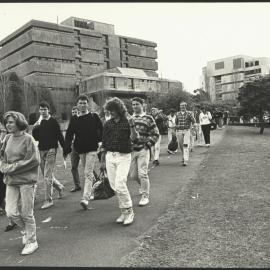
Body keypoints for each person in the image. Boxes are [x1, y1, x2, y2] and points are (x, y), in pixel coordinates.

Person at [0, 111, 40, 255]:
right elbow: (3, 156)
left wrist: (10, 168)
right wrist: (3, 165)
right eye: (7, 122)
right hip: (11, 180)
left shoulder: (28, 139)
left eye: (11, 122)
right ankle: (26, 231)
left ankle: (32, 241)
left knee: (26, 213)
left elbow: (34, 160)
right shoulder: (7, 138)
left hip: (26, 181)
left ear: (19, 122)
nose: (8, 125)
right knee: (10, 212)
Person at [100, 97, 139, 225]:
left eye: (113, 110)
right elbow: (104, 143)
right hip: (110, 156)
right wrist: (102, 161)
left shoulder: (127, 122)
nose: (110, 112)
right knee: (114, 186)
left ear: (119, 110)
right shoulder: (108, 124)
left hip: (124, 156)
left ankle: (129, 211)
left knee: (120, 183)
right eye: (109, 110)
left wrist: (132, 125)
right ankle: (123, 212)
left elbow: (135, 138)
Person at [64, 94, 103, 210]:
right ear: (77, 105)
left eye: (84, 103)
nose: (82, 105)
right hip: (80, 149)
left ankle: (85, 198)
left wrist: (101, 142)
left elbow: (101, 129)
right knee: (88, 173)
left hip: (92, 148)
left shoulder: (93, 116)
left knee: (87, 172)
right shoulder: (75, 119)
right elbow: (69, 134)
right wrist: (66, 148)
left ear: (88, 104)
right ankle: (94, 187)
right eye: (80, 103)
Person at [32, 101, 65, 210]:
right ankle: (60, 187)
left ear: (48, 110)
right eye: (41, 109)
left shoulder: (53, 122)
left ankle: (48, 200)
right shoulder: (39, 123)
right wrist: (35, 128)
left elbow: (60, 136)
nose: (43, 111)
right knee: (47, 175)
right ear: (39, 110)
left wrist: (65, 148)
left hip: (51, 150)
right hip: (41, 150)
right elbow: (36, 138)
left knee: (47, 176)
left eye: (45, 109)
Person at [128, 97, 159, 206]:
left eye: (137, 104)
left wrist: (148, 145)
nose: (135, 106)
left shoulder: (148, 118)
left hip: (143, 149)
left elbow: (156, 133)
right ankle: (143, 186)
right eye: (133, 105)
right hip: (132, 150)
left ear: (142, 105)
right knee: (133, 175)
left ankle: (145, 196)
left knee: (142, 173)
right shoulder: (130, 119)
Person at [175, 101, 195, 166]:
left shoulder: (189, 113)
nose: (182, 107)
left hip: (186, 130)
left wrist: (192, 127)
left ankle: (185, 160)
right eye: (181, 106)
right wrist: (175, 129)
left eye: (183, 106)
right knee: (181, 145)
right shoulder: (177, 114)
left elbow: (193, 121)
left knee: (185, 145)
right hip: (179, 131)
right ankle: (184, 156)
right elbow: (176, 122)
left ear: (186, 106)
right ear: (180, 106)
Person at [69, 106, 81, 192]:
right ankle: (77, 186)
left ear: (78, 113)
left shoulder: (81, 121)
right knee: (73, 167)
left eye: (76, 112)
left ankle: (94, 183)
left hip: (82, 146)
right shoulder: (70, 123)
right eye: (73, 113)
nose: (74, 114)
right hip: (74, 147)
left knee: (86, 167)